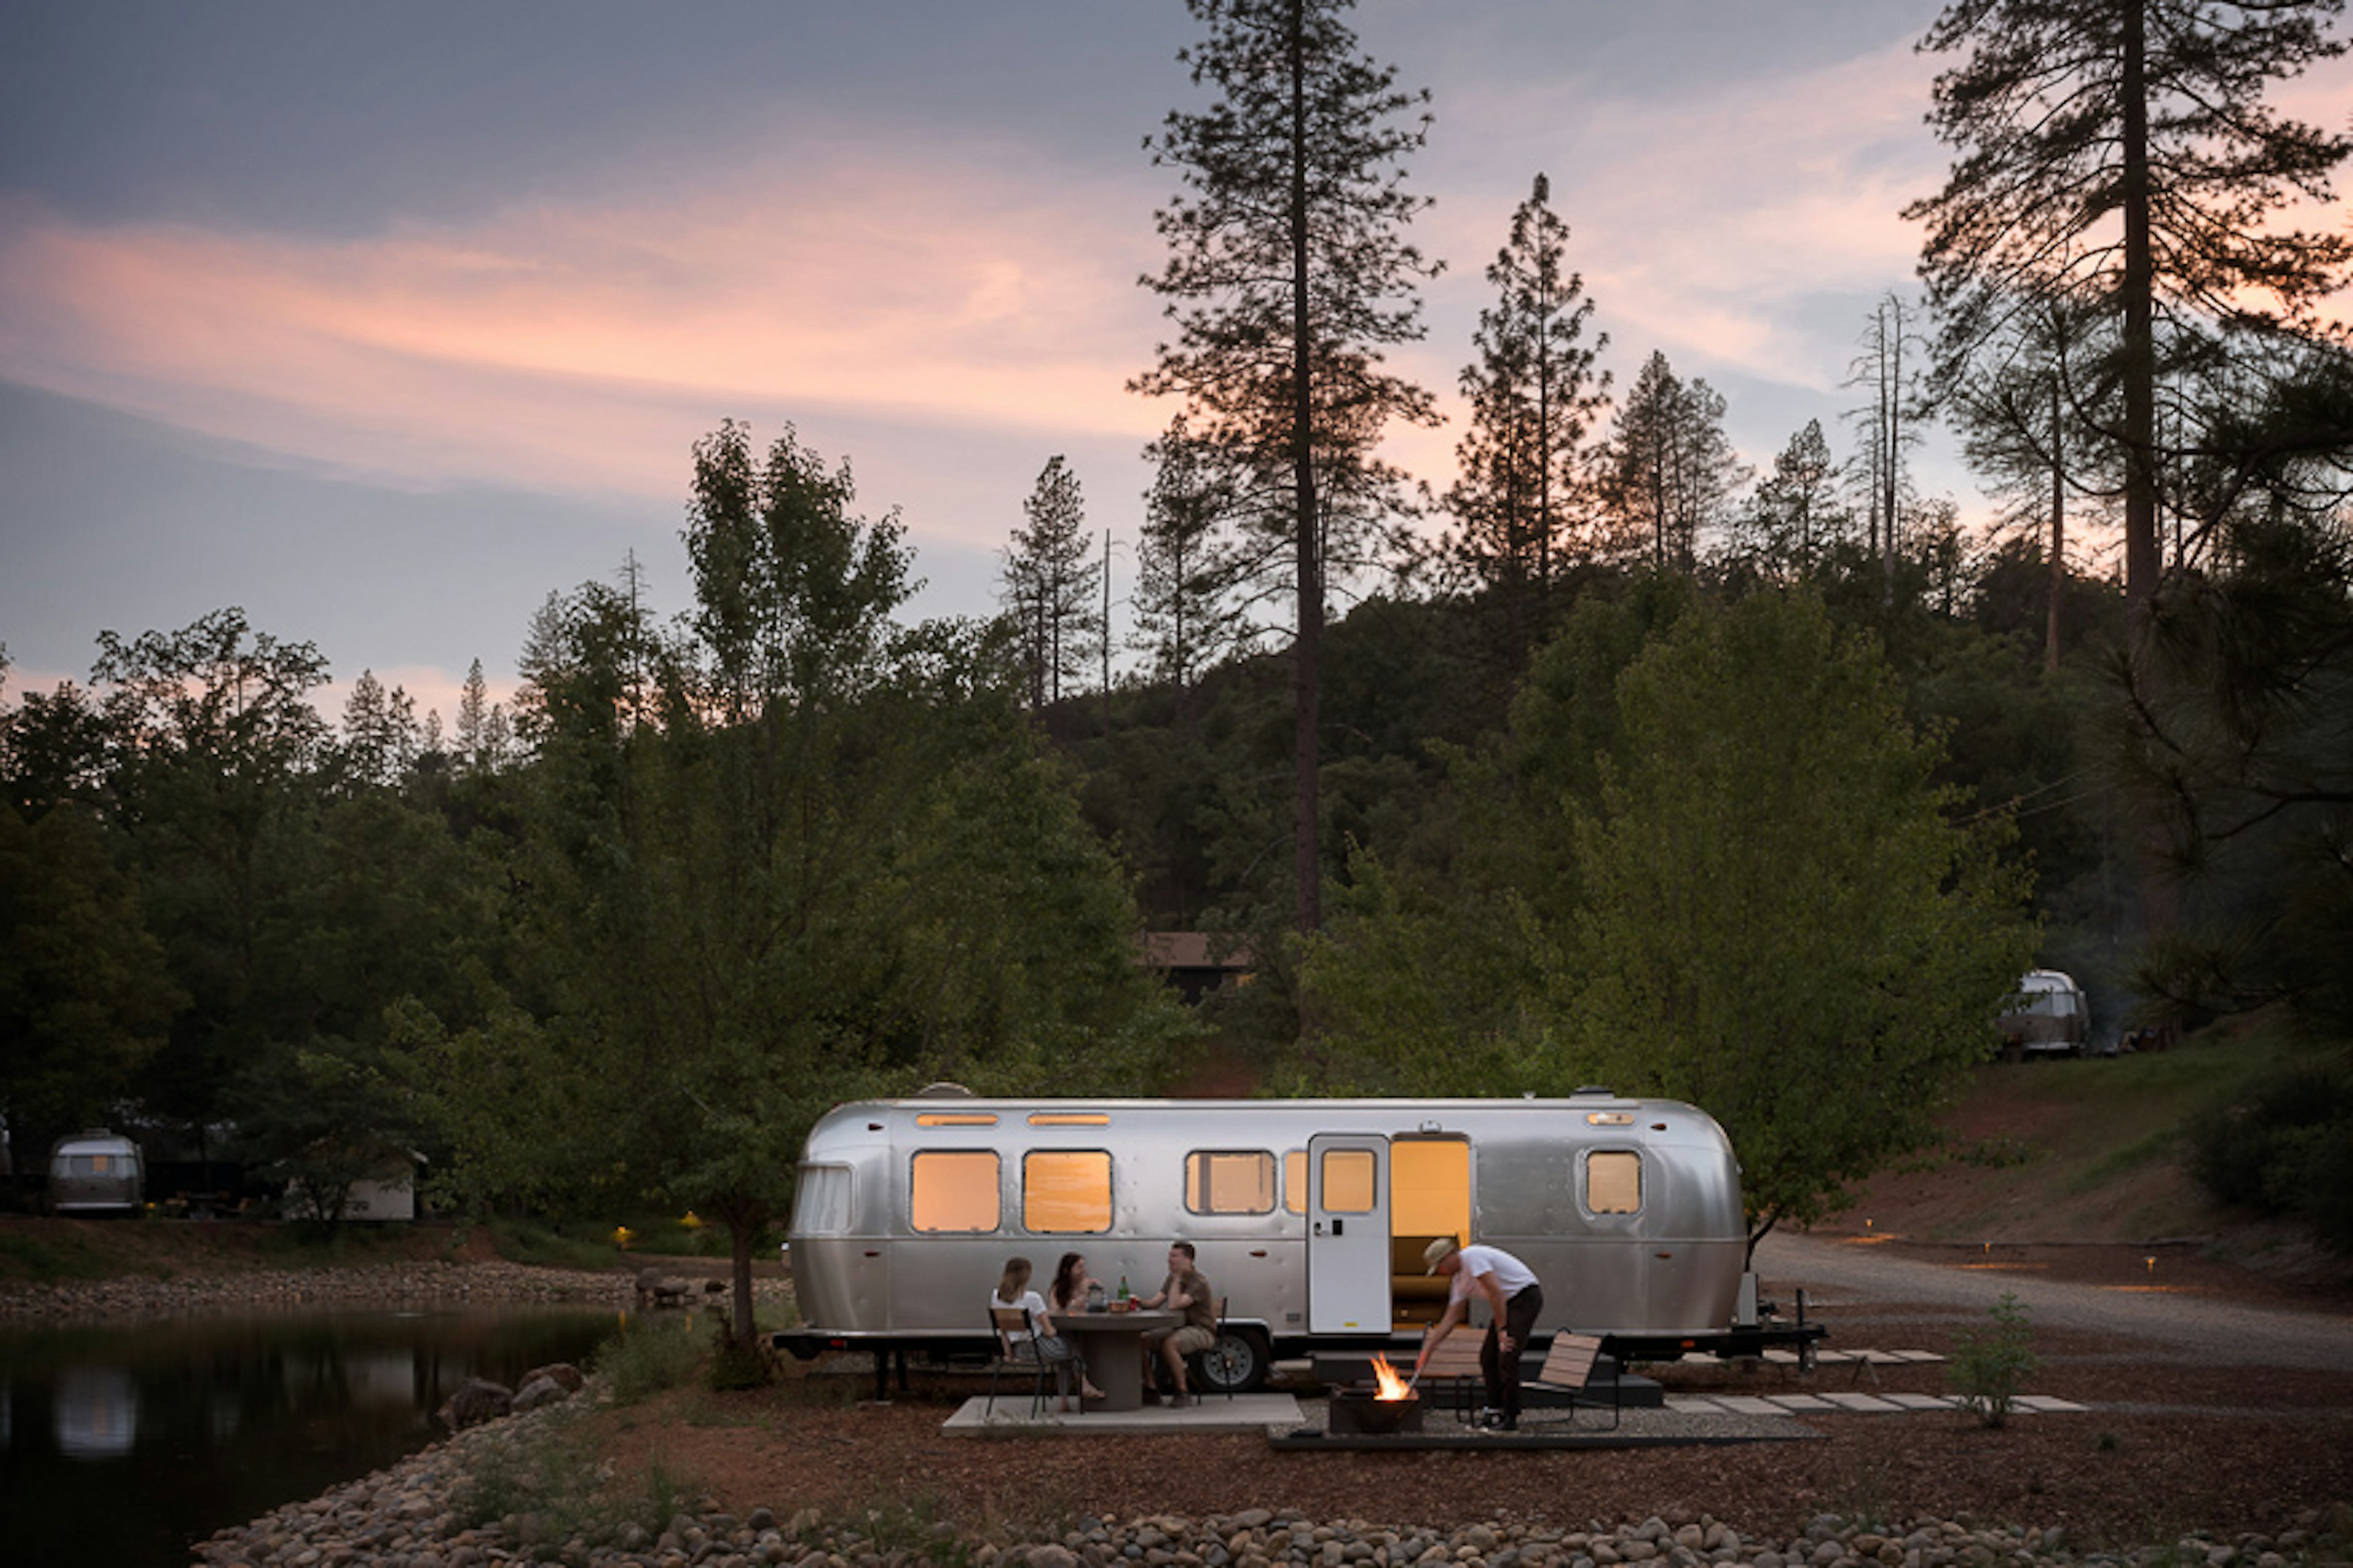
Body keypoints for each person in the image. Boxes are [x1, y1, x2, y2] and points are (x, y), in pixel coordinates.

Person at [1410, 1236, 1543, 1430]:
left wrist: (1502, 1331)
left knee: (1507, 1354)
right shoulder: (1459, 1281)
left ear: (1448, 1257)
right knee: (1488, 1358)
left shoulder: (1472, 1257)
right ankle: (1494, 1410)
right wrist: (1428, 1350)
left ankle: (1510, 1416)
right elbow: (1451, 1318)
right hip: (1508, 1303)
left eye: (1439, 1267)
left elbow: (1496, 1293)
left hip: (1524, 1297)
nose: (1440, 1273)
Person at [989, 1256, 1093, 1412]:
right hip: (1038, 1348)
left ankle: (1066, 1402)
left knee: (1066, 1356)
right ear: (1026, 1276)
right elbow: (1049, 1332)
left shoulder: (997, 1297)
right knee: (1073, 1347)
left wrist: (1009, 1354)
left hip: (1019, 1350)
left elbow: (1003, 1332)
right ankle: (1084, 1386)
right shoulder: (1032, 1298)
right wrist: (1055, 1332)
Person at [1136, 1240, 1217, 1407]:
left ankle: (1182, 1391)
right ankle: (1151, 1389)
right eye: (1169, 1256)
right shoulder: (1172, 1278)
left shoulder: (1198, 1282)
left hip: (1202, 1330)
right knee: (1139, 1341)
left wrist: (1178, 1279)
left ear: (1188, 1260)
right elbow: (1155, 1302)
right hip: (1179, 1328)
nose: (1169, 1260)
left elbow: (1174, 1305)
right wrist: (1139, 1302)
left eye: (1174, 1256)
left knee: (1169, 1344)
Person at [1046, 1252, 1108, 1399]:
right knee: (1070, 1347)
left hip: (1082, 1331)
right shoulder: (1058, 1287)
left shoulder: (1086, 1285)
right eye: (1079, 1267)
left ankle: (1065, 1401)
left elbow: (1096, 1307)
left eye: (1083, 1267)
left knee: (1069, 1350)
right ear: (1067, 1270)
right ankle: (1084, 1385)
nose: (1083, 1270)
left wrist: (1094, 1293)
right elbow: (1054, 1311)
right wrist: (1073, 1305)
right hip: (1062, 1331)